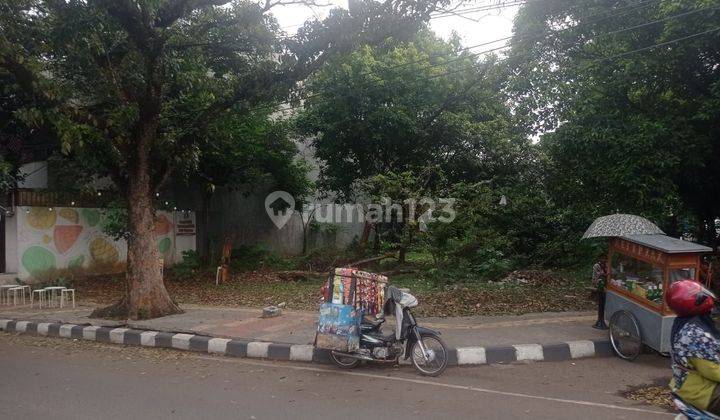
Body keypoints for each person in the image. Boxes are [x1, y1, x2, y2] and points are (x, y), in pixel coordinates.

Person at [667, 279, 720, 415]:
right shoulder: (694, 334)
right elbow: (712, 370)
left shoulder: (686, 321)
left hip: (688, 383)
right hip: (701, 391)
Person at [592, 255, 608, 330]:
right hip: (598, 284)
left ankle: (601, 320)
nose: (604, 260)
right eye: (602, 258)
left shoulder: (606, 265)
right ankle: (600, 321)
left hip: (605, 285)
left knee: (603, 303)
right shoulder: (597, 265)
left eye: (605, 258)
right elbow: (599, 275)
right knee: (601, 302)